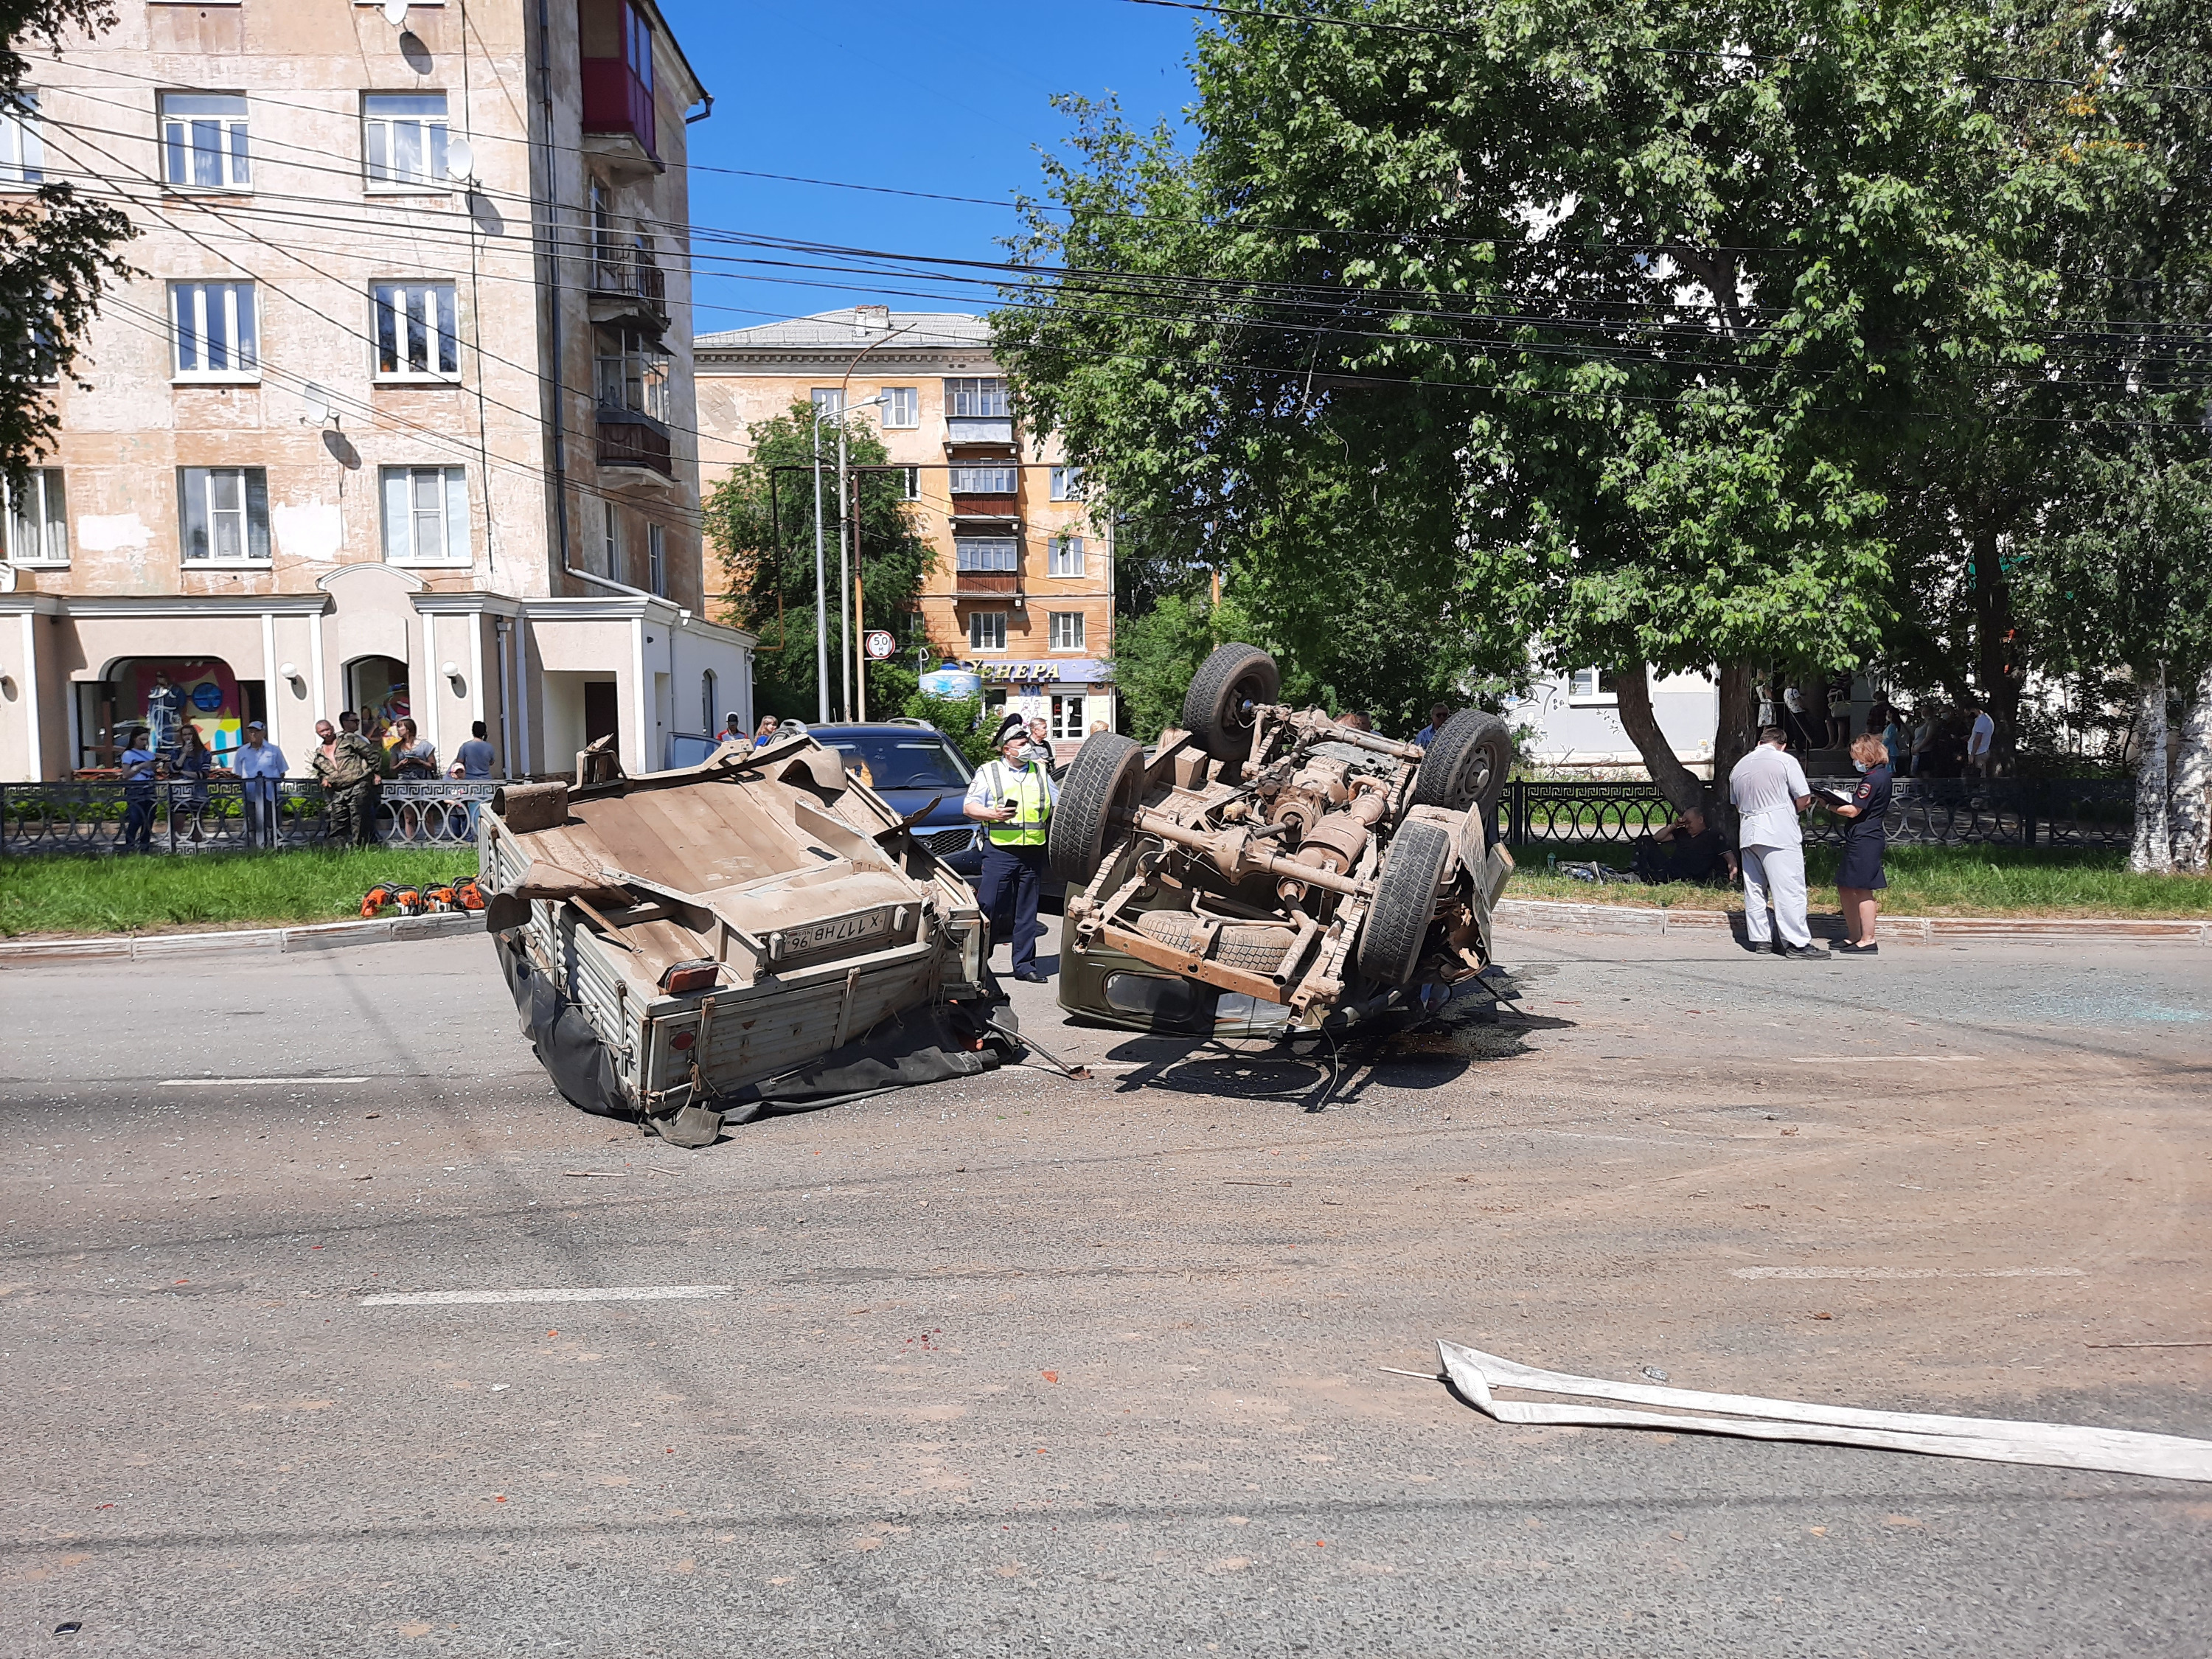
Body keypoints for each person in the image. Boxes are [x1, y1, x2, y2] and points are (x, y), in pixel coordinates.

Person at [964, 714, 1058, 984]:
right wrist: (992, 814)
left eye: (1027, 740)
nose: (1025, 745)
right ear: (1007, 749)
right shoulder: (989, 771)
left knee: (1027, 912)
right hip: (1001, 852)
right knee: (989, 907)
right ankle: (979, 964)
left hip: (1032, 851)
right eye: (1020, 741)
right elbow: (969, 807)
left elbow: (1057, 804)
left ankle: (1025, 965)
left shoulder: (1039, 770)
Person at [1728, 726, 1826, 958]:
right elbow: (1803, 798)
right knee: (1788, 887)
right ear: (1783, 744)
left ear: (1761, 742)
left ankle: (1761, 939)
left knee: (1754, 888)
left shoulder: (1739, 766)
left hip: (1748, 829)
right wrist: (1788, 811)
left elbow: (1736, 803)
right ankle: (1796, 942)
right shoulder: (1785, 760)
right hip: (1778, 830)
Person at [1826, 731, 1893, 956]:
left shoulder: (1873, 779)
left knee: (1863, 889)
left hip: (1866, 839)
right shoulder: (1879, 776)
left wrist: (1827, 804)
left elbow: (1854, 810)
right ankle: (1854, 935)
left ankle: (1868, 939)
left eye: (1857, 756)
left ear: (1868, 755)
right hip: (1861, 838)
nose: (1855, 762)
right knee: (1846, 885)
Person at [312, 717, 382, 846]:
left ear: (332, 728)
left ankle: (360, 850)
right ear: (318, 733)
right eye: (322, 731)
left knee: (359, 819)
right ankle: (337, 852)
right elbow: (320, 771)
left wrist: (375, 773)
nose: (326, 733)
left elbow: (371, 754)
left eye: (327, 729)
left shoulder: (348, 739)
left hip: (358, 783)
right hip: (339, 789)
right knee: (337, 820)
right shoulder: (320, 753)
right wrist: (324, 779)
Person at [1630, 805, 1738, 885]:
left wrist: (1733, 880)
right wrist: (1675, 825)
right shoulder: (1682, 833)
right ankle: (1639, 871)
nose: (1687, 826)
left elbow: (1730, 858)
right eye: (1685, 823)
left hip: (1688, 873)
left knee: (1658, 876)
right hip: (1671, 866)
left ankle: (1644, 876)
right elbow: (1657, 838)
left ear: (1700, 820)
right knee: (1645, 841)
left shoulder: (1713, 836)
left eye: (1689, 823)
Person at [232, 720, 287, 848]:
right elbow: (238, 773)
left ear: (263, 733)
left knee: (273, 822)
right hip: (251, 794)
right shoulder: (242, 751)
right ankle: (254, 848)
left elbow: (282, 771)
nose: (253, 734)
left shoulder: (274, 750)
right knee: (252, 823)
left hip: (271, 794)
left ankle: (276, 846)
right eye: (250, 731)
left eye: (256, 731)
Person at [116, 725, 159, 852]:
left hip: (149, 787)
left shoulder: (150, 755)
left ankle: (145, 845)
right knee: (135, 819)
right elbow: (126, 775)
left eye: (146, 739)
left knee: (149, 819)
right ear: (134, 739)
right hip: (135, 788)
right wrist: (140, 767)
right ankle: (130, 844)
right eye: (142, 739)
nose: (144, 742)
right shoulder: (128, 754)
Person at [170, 722, 212, 833]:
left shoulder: (204, 753)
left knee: (197, 823)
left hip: (198, 792)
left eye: (190, 734)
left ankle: (197, 847)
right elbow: (174, 768)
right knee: (178, 821)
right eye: (184, 735)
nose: (188, 737)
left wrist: (182, 771)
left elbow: (203, 774)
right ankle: (174, 847)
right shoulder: (176, 752)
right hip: (180, 792)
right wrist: (184, 753)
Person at [1965, 699, 1994, 778]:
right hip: (1981, 751)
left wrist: (1972, 755)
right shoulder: (1985, 719)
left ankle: (1980, 789)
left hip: (1979, 753)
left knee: (1978, 775)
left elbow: (1978, 739)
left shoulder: (1982, 720)